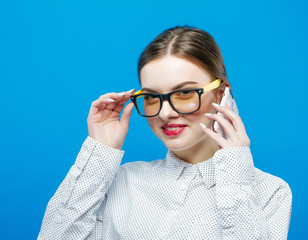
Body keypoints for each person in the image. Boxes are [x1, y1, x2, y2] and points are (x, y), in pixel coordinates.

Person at [38, 26, 292, 240]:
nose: (165, 113)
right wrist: (100, 152)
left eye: (184, 93)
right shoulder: (120, 181)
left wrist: (235, 171)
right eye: (151, 97)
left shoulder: (269, 191)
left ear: (221, 93)